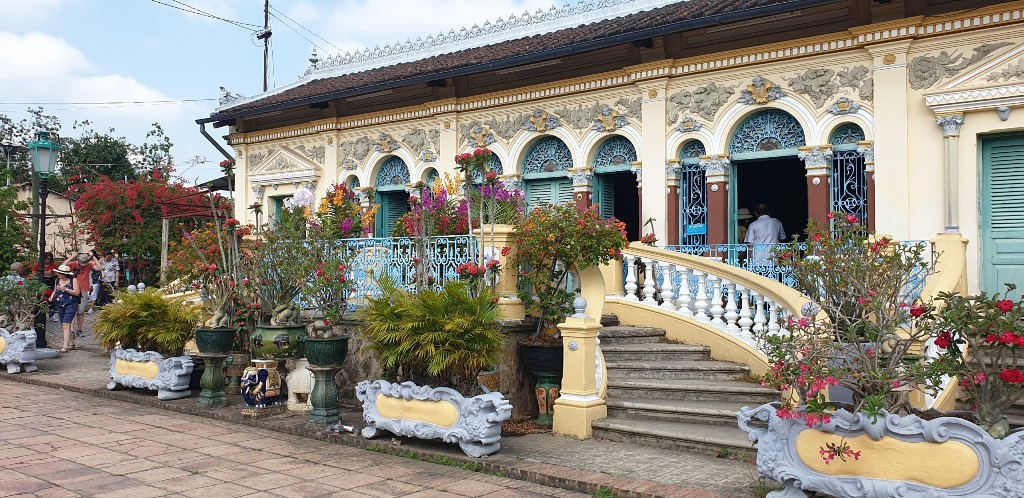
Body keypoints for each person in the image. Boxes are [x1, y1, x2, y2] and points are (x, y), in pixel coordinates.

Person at [62, 251, 99, 338]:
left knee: (81, 311)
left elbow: (99, 268)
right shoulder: (73, 264)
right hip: (73, 289)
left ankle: (79, 329)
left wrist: (93, 257)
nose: (83, 264)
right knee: (72, 310)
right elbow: (62, 267)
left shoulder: (89, 265)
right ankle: (71, 330)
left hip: (84, 290)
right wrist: (72, 257)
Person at [49, 264, 82, 353]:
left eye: (60, 273)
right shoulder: (57, 280)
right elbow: (55, 290)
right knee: (64, 325)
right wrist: (52, 296)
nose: (58, 274)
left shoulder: (73, 280)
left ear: (65, 274)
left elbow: (76, 292)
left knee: (66, 324)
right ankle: (71, 343)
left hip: (71, 304)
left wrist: (66, 289)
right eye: (58, 272)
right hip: (60, 304)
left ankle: (65, 346)